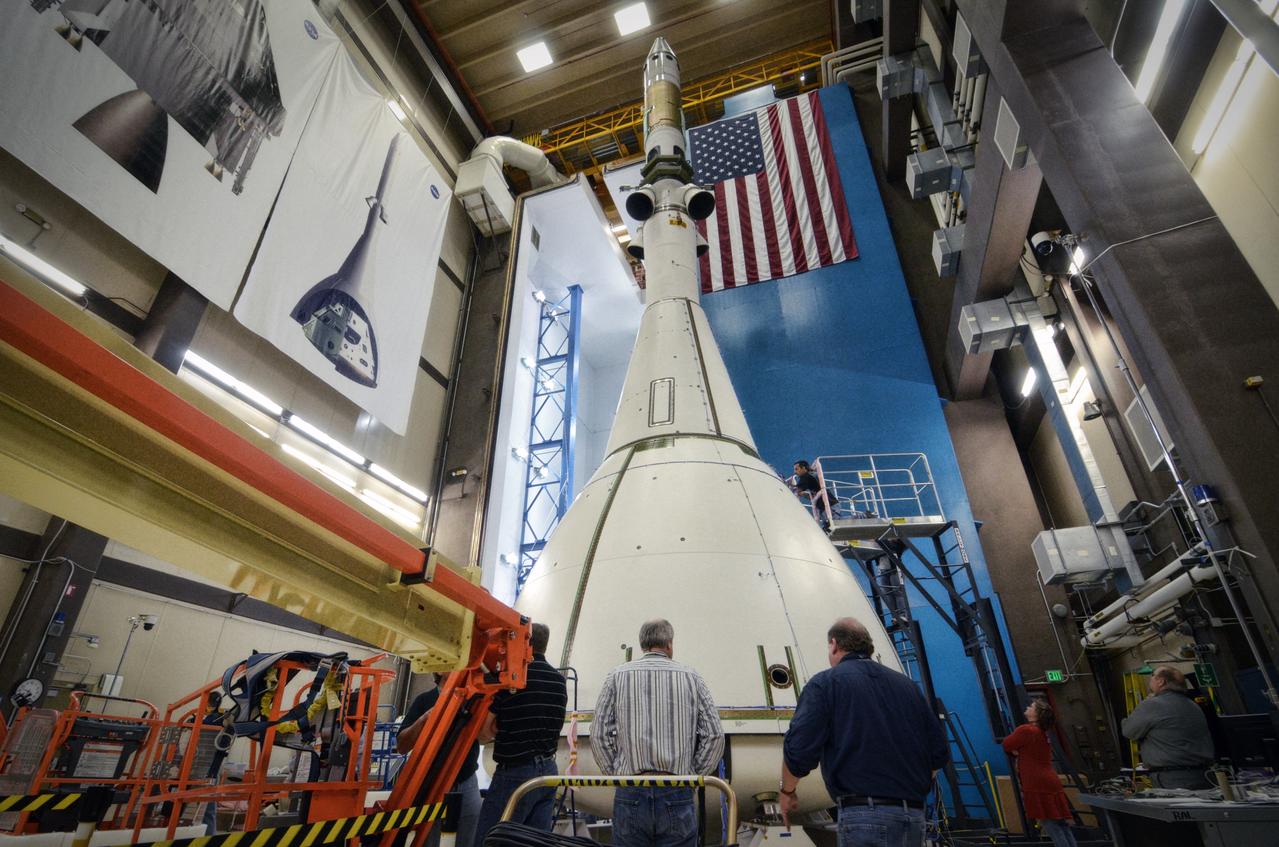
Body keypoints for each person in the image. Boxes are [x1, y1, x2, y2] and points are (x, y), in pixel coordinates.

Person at [780, 617, 947, 847]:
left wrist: (787, 791)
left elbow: (798, 751)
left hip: (864, 817)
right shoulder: (907, 686)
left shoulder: (825, 684)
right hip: (913, 818)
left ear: (834, 644)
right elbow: (938, 755)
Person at [592, 619, 724, 847]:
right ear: (670, 645)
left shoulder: (617, 676)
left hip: (630, 791)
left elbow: (598, 734)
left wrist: (616, 774)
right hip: (677, 790)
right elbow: (714, 735)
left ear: (642, 645)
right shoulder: (691, 677)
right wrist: (692, 776)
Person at [473, 622, 569, 843]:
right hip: (548, 774)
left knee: (491, 839)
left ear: (526, 640)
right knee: (534, 841)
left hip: (515, 773)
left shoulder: (513, 678)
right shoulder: (558, 681)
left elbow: (484, 733)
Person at [396, 673, 482, 847]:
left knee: (469, 837)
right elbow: (402, 745)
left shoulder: (473, 699)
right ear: (441, 672)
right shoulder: (425, 700)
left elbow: (486, 735)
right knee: (428, 837)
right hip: (432, 782)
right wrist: (424, 719)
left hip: (466, 780)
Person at [1121, 666, 1214, 789]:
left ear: (1161, 682)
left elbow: (1129, 731)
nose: (1151, 679)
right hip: (1203, 775)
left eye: (1153, 675)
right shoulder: (1193, 705)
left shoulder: (1152, 705)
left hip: (1172, 779)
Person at [1002, 699, 1076, 847]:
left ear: (1036, 714)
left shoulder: (1026, 730)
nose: (1028, 707)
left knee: (1051, 825)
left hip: (1037, 782)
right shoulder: (1042, 733)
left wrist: (1017, 751)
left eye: (1031, 707)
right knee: (1061, 824)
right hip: (1050, 780)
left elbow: (1007, 744)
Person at [790, 461, 834, 530]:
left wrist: (788, 485)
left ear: (803, 468)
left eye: (796, 469)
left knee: (833, 523)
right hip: (825, 505)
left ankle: (854, 517)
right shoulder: (811, 475)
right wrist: (802, 493)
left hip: (830, 505)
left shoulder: (806, 476)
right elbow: (812, 493)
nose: (795, 472)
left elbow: (797, 489)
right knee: (828, 526)